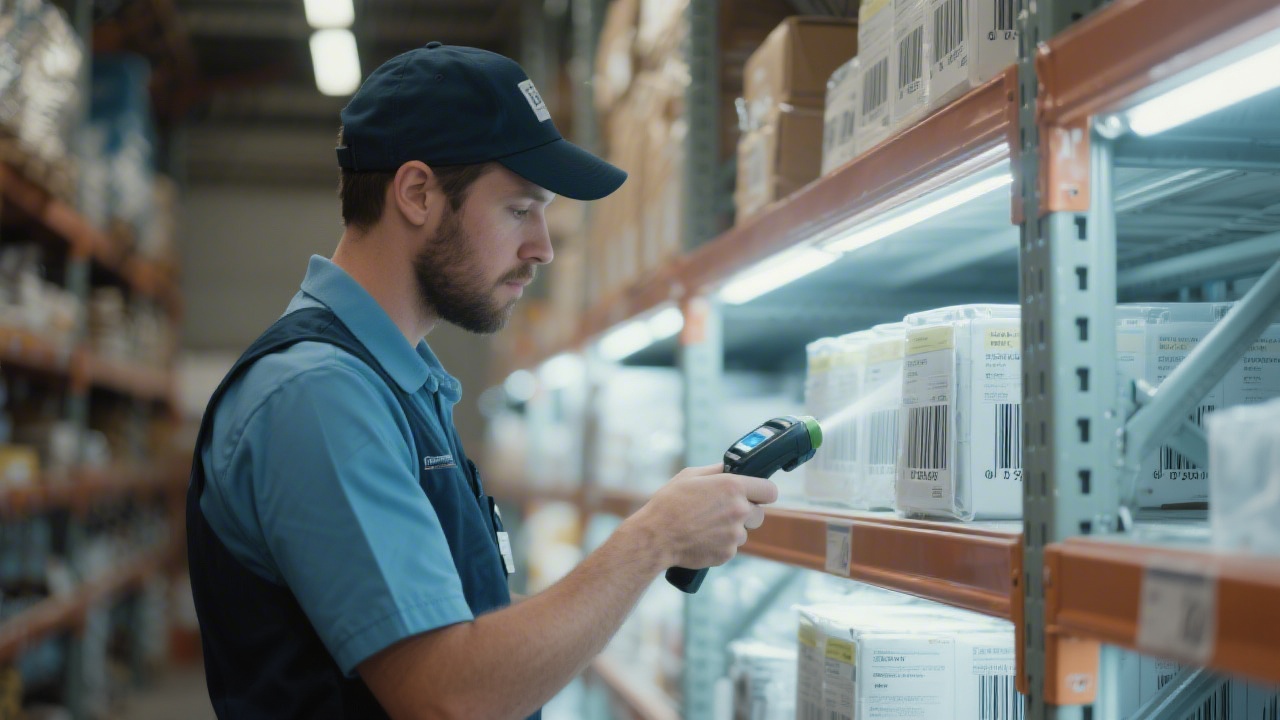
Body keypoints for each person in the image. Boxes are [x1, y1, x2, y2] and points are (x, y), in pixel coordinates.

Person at [186, 42, 778, 720]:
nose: (544, 248)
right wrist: (653, 539)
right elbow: (449, 696)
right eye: (519, 209)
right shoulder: (320, 396)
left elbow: (460, 639)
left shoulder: (393, 384)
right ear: (416, 193)